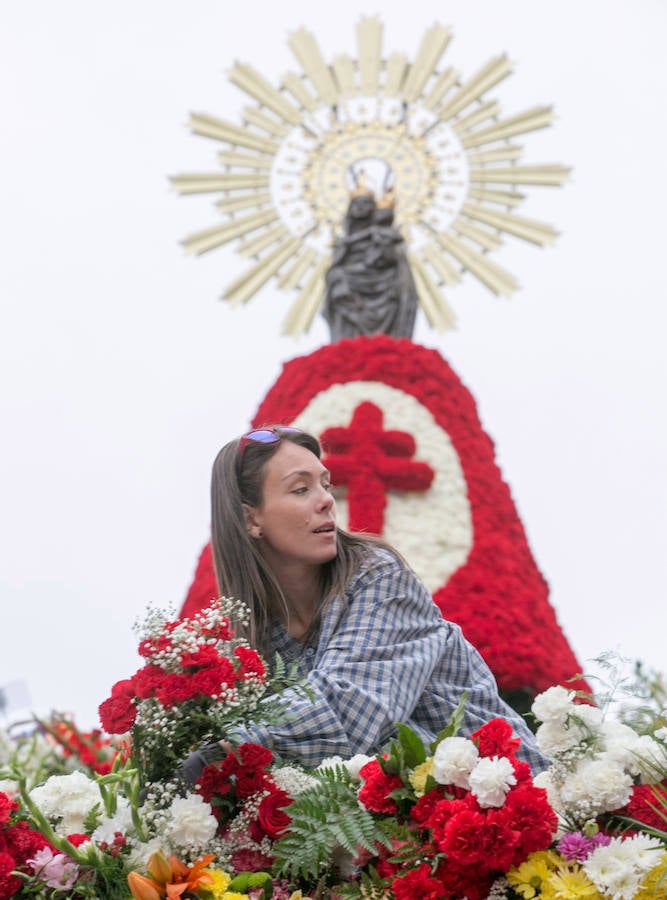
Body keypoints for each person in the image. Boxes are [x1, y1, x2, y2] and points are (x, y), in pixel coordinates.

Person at [185, 425, 550, 781]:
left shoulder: (380, 579)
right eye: (300, 489)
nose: (327, 499)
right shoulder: (240, 633)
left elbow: (350, 712)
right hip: (399, 827)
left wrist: (223, 749)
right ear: (251, 518)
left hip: (509, 806)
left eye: (324, 485)